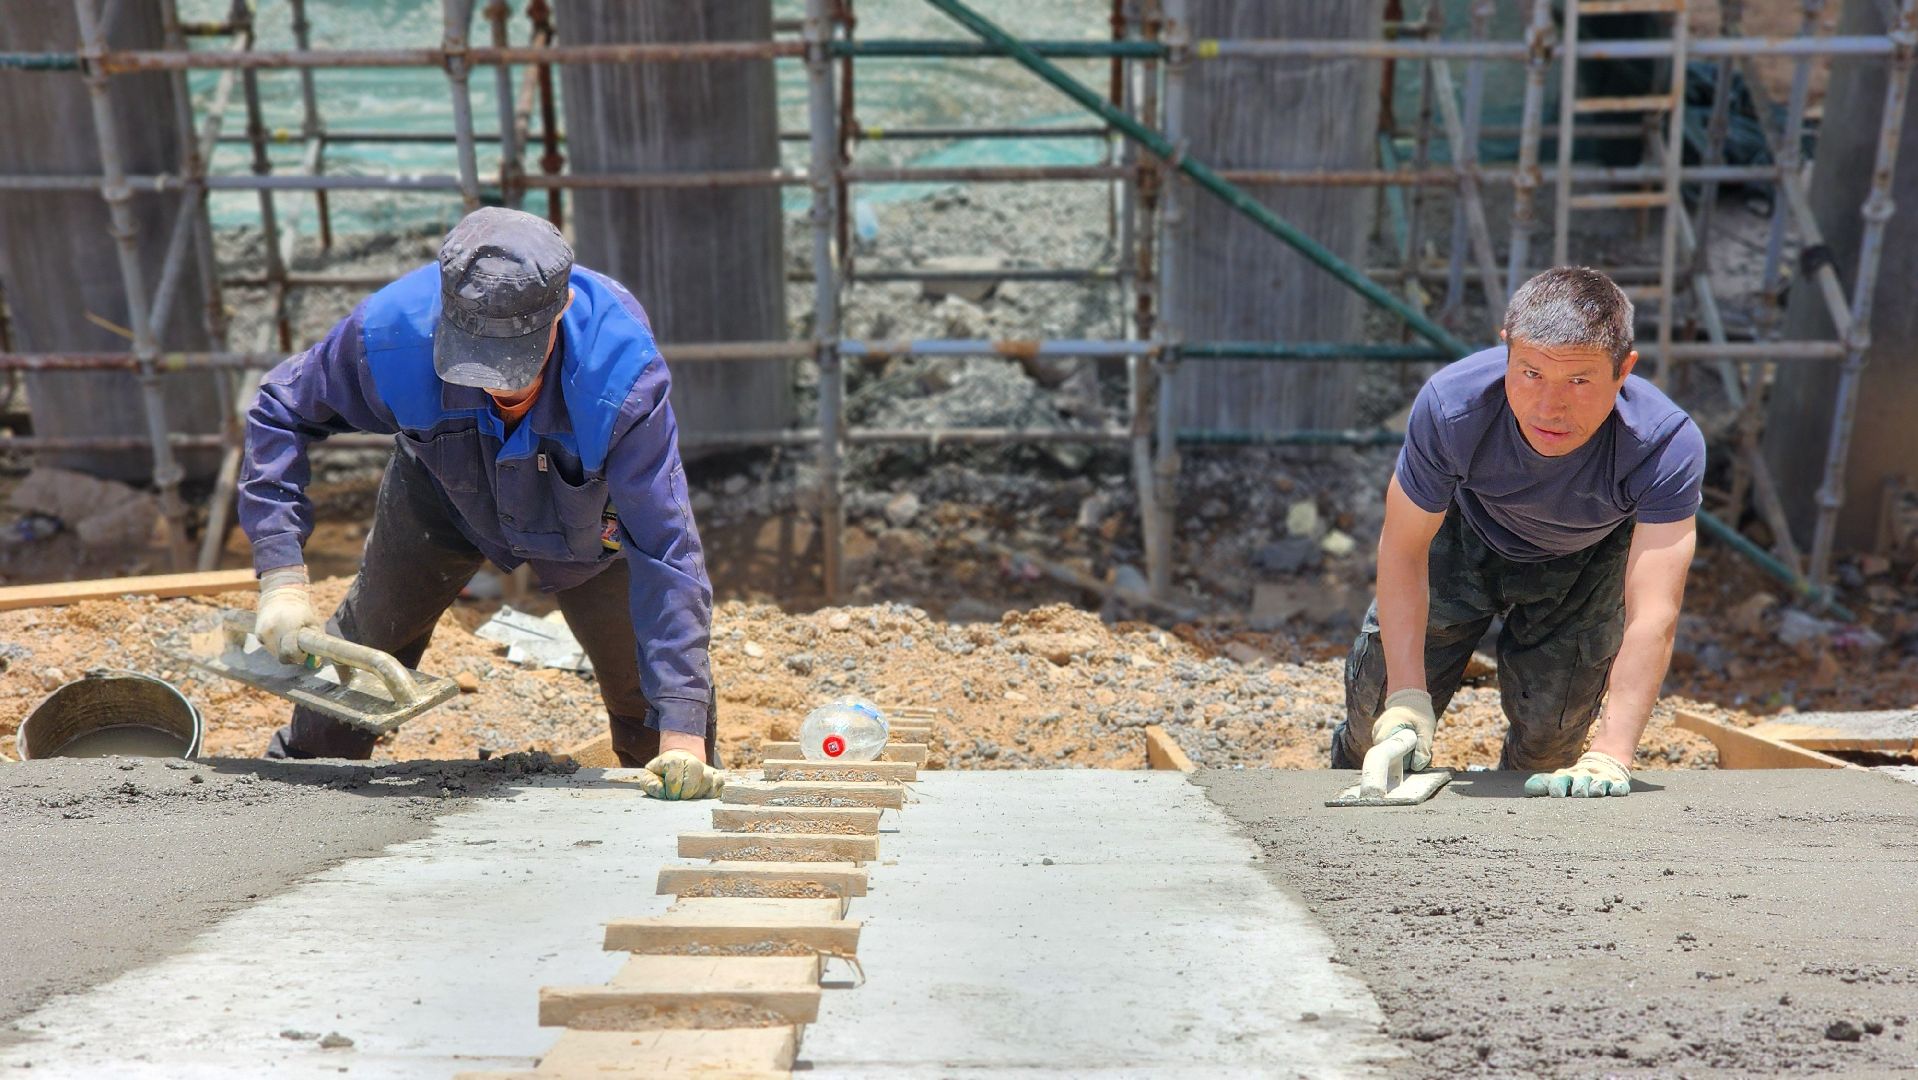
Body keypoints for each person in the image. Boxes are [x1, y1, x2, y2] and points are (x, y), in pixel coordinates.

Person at [238, 206, 722, 800]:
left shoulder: (619, 378)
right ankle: (304, 790)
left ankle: (671, 787)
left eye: (516, 362)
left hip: (583, 523)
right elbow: (280, 410)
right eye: (476, 362)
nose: (497, 384)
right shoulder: (391, 336)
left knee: (651, 704)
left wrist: (682, 735)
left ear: (562, 308)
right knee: (363, 655)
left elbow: (667, 548)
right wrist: (280, 576)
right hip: (443, 493)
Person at [1333, 266, 1704, 798]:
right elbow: (1403, 550)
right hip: (1462, 537)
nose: (1551, 407)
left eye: (1579, 381)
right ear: (1506, 350)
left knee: (1551, 750)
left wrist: (1613, 753)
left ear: (1624, 370)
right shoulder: (1451, 407)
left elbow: (1655, 612)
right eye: (1530, 373)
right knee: (1377, 727)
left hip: (1586, 559)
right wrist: (1408, 697)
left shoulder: (1663, 443)